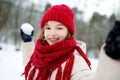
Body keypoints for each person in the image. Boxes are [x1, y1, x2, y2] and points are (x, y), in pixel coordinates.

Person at [20, 4, 94, 80]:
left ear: (68, 32)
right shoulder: (39, 54)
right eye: (48, 28)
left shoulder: (75, 61)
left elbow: (85, 76)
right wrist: (27, 42)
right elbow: (31, 67)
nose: (52, 33)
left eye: (59, 28)